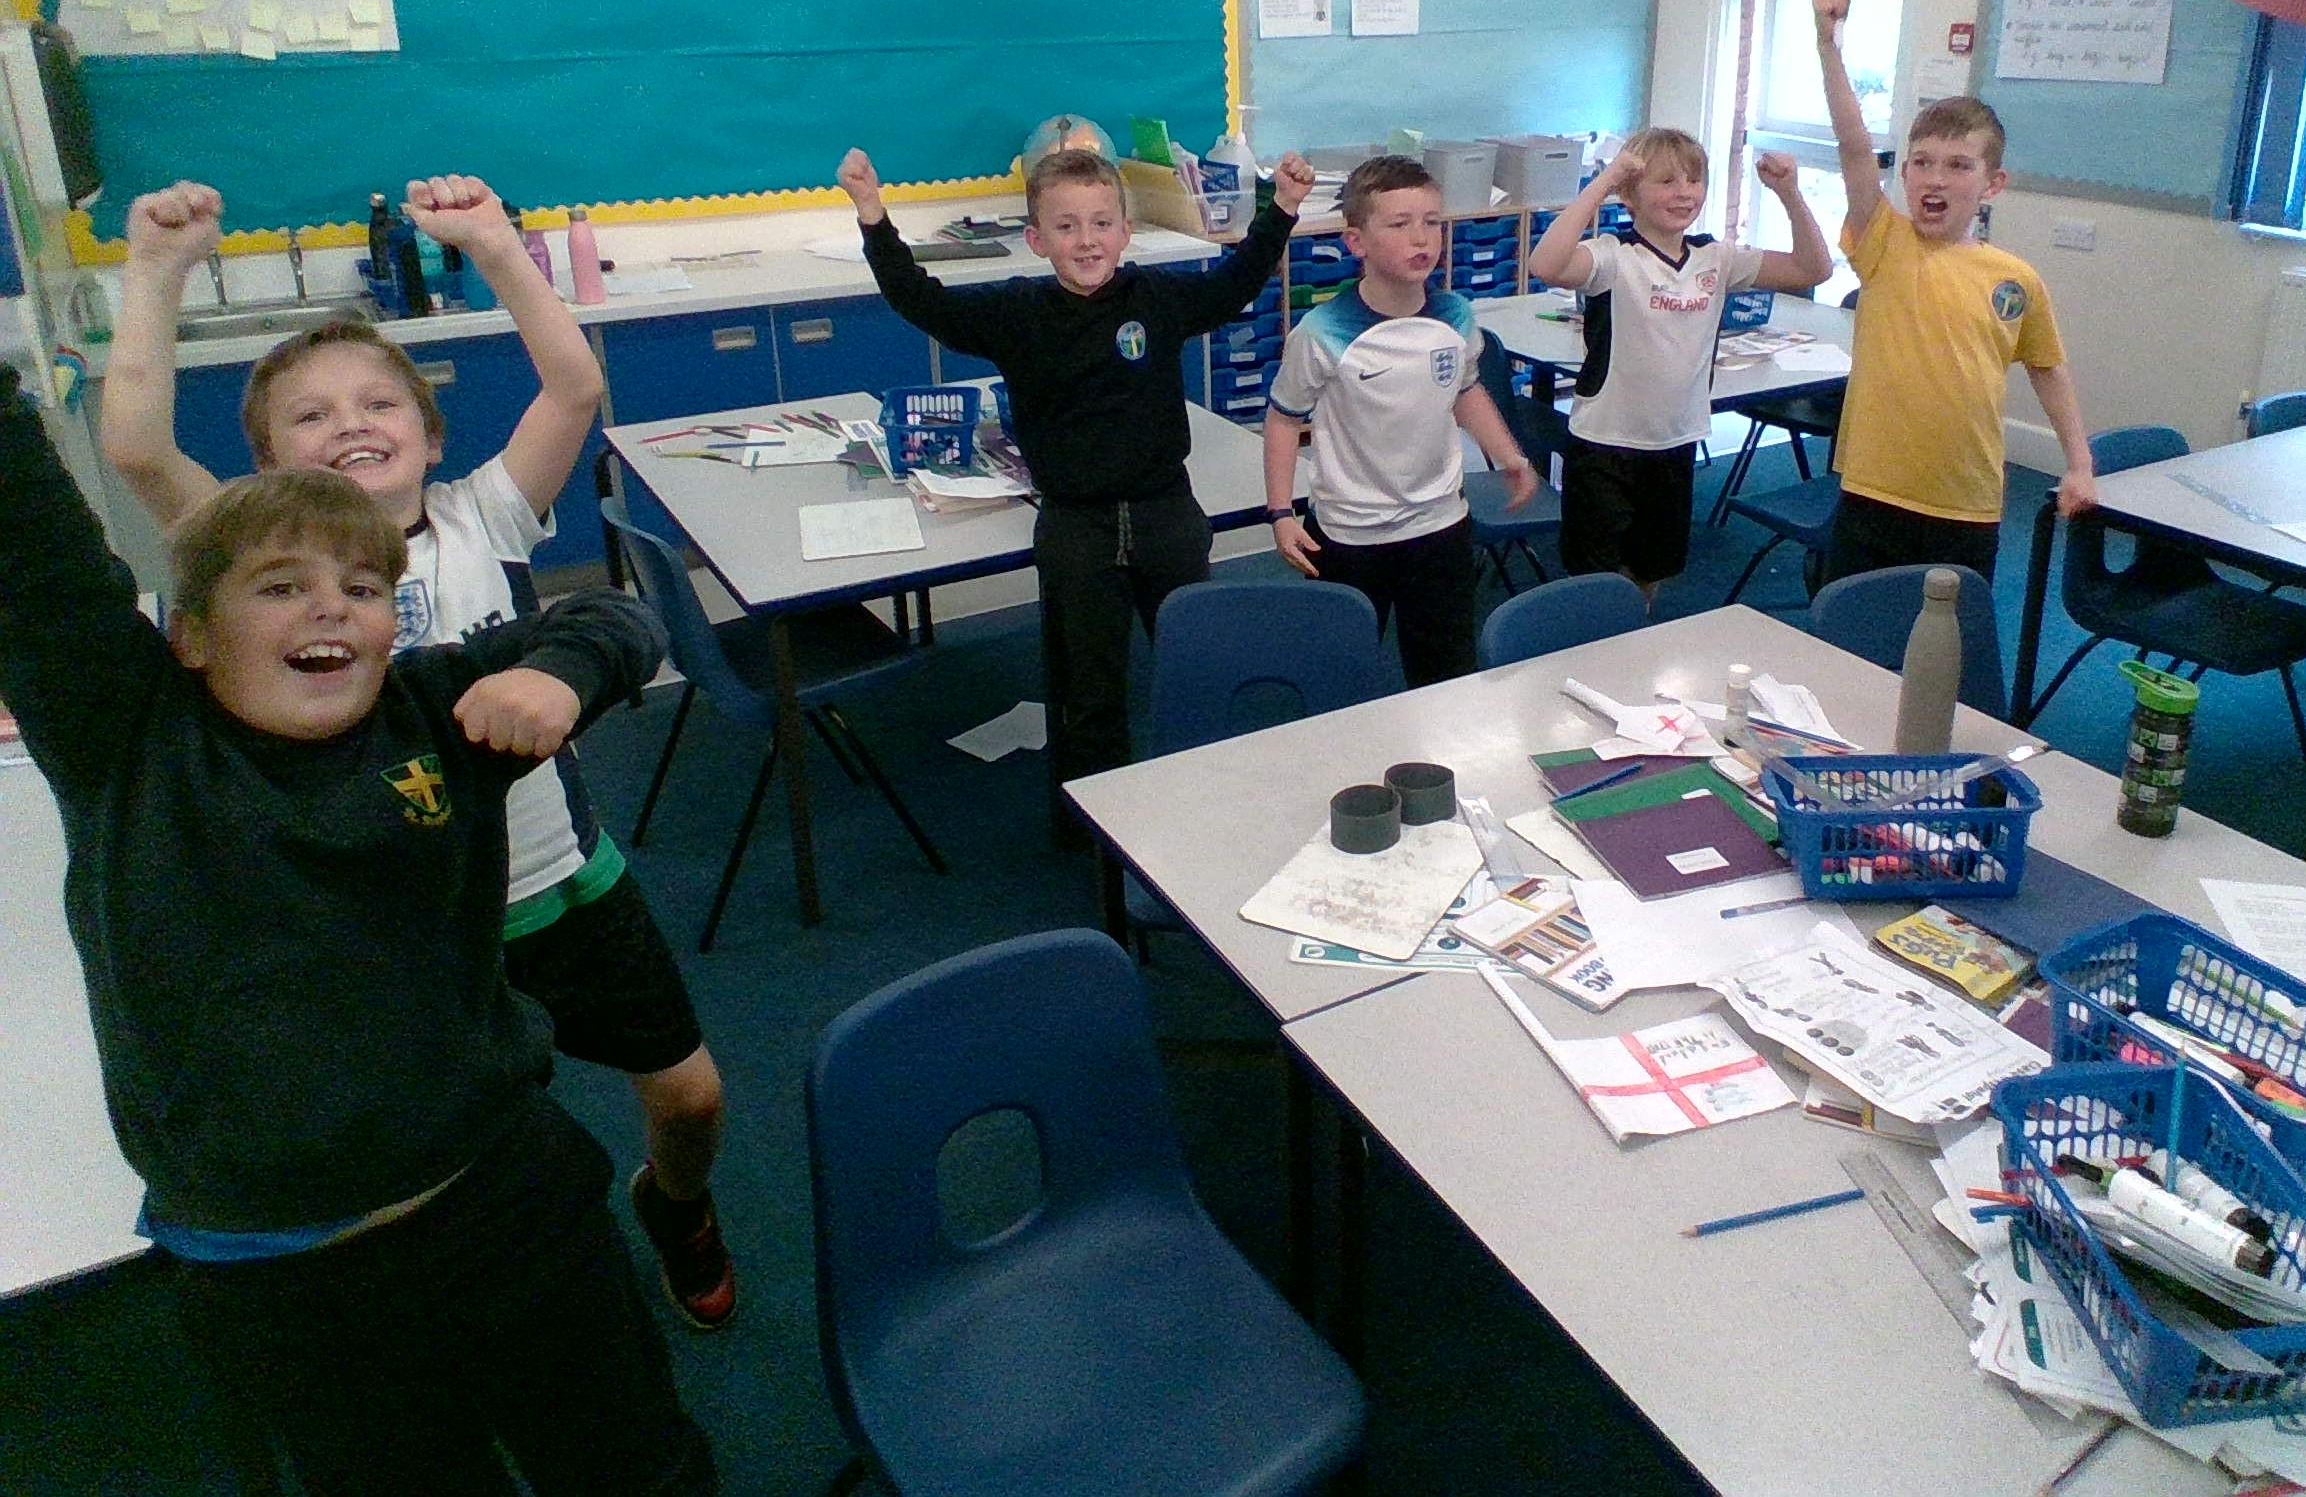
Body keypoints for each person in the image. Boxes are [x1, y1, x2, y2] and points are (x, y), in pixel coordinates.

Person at [0, 361, 710, 1495]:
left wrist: (562, 676)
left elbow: (616, 613)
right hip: (289, 1275)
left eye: (364, 588)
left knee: (637, 1467)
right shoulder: (131, 743)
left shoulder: (427, 710)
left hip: (507, 1201)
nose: (331, 606)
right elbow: (32, 554)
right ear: (191, 636)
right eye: (280, 587)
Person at [99, 177, 737, 1329]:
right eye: (310, 416)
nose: (349, 422)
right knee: (474, 1158)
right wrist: (152, 276)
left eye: (378, 402)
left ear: (429, 435)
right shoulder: (253, 565)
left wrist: (493, 244)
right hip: (405, 929)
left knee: (691, 1097)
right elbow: (139, 451)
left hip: (559, 887)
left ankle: (677, 1207)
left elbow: (574, 385)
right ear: (264, 469)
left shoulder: (483, 515)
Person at [839, 142, 1311, 836]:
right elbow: (921, 300)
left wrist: (1284, 208)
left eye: (1100, 223)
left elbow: (1237, 281)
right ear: (1037, 240)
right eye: (1066, 227)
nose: (1086, 240)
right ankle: (1094, 834)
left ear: (1125, 232)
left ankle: (1209, 809)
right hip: (1074, 528)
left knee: (1194, 665)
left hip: (1165, 515)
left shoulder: (1158, 300)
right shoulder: (1018, 312)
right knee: (1085, 694)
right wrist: (872, 215)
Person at [1811, 0, 2098, 586]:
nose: (1935, 179)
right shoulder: (1883, 243)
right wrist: (1828, 44)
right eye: (1922, 163)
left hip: (1966, 501)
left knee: (1952, 635)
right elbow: (1854, 146)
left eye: (1958, 166)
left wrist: (2079, 463)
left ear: (1993, 185)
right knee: (1855, 628)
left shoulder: (2015, 279)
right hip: (1874, 490)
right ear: (1906, 174)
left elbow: (2047, 368)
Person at [1263, 155, 1537, 686]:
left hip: (1439, 525)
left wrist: (1508, 456)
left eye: (1432, 222)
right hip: (1349, 533)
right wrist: (1280, 513)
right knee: (1341, 676)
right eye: (1399, 224)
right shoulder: (1322, 332)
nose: (1421, 238)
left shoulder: (1455, 315)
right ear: (1356, 242)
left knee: (1446, 676)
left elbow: (1465, 389)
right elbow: (1283, 419)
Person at [1528, 126, 1834, 602]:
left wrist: (1790, 194)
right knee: (1595, 579)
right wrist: (1604, 181)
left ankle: (1640, 633)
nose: (1684, 192)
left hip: (1675, 440)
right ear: (1630, 194)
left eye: (1694, 180)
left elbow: (1813, 269)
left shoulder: (1715, 257)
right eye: (1667, 181)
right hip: (1606, 442)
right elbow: (1545, 265)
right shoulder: (1613, 255)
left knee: (1651, 570)